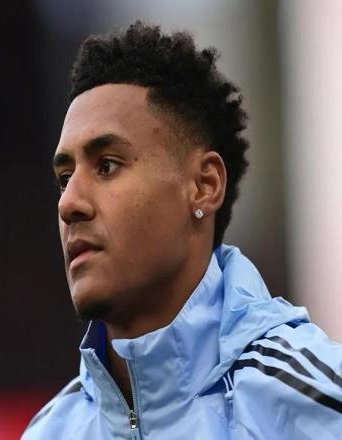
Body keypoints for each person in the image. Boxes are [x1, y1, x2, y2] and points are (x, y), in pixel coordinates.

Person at [22, 21, 342, 439]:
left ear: (204, 186)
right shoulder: (49, 432)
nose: (69, 205)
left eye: (107, 166)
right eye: (65, 179)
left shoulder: (311, 401)